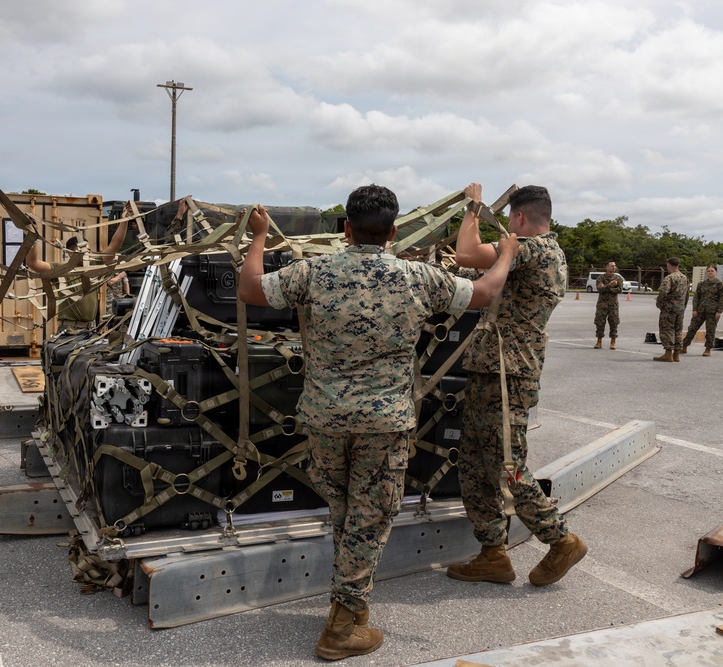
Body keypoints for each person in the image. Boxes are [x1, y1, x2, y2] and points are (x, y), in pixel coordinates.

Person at [238, 185, 520, 660]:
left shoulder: (315, 270)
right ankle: (342, 625)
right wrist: (507, 252)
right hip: (382, 424)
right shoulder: (416, 277)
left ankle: (353, 606)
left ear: (345, 229)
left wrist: (260, 237)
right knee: (369, 521)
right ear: (392, 232)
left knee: (348, 515)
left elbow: (249, 288)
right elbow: (486, 292)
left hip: (324, 420)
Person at [446, 183, 588, 588]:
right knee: (475, 465)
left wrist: (473, 209)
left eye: (509, 219)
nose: (508, 228)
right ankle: (492, 553)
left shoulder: (535, 249)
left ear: (520, 218)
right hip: (494, 369)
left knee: (508, 467)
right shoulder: (540, 251)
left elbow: (467, 254)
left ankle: (560, 541)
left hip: (507, 374)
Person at [24, 222, 129, 330]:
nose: (88, 254)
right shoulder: (62, 270)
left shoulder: (94, 267)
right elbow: (33, 263)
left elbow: (115, 244)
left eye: (89, 251)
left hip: (89, 331)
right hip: (69, 330)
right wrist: (32, 238)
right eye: (83, 251)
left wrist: (125, 220)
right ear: (70, 253)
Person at [682, 265, 723, 357]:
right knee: (692, 328)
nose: (710, 272)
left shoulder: (720, 285)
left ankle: (708, 348)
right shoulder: (701, 284)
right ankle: (684, 346)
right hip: (700, 310)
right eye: (709, 271)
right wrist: (694, 309)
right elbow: (696, 297)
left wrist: (719, 311)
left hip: (712, 312)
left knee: (710, 331)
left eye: (712, 271)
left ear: (716, 272)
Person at [653, 257, 689, 362]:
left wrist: (659, 304)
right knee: (678, 330)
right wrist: (683, 306)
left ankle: (668, 353)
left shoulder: (670, 278)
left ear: (669, 265)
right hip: (680, 309)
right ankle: (676, 354)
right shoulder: (684, 278)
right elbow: (686, 295)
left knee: (667, 330)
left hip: (669, 309)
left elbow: (663, 292)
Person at [593, 261, 624, 349]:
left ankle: (613, 342)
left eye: (615, 266)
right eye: (612, 266)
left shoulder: (618, 278)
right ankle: (599, 341)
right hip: (602, 304)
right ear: (606, 267)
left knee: (614, 322)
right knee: (600, 323)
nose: (614, 267)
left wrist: (606, 287)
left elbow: (619, 290)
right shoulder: (600, 277)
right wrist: (610, 285)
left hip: (613, 305)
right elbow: (600, 290)